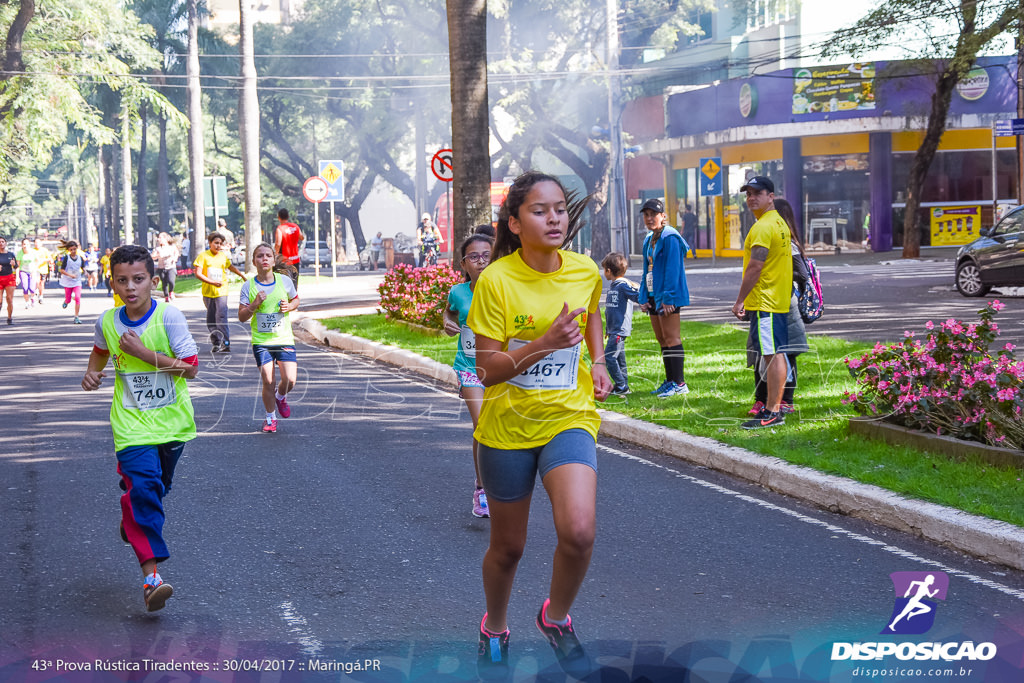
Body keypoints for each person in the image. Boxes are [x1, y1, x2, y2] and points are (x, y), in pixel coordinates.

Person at [468, 171, 611, 678]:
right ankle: (495, 627)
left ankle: (555, 618)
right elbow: (484, 368)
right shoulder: (496, 281)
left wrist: (596, 360)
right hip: (506, 429)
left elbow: (591, 311)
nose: (553, 218)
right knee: (508, 549)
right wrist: (542, 345)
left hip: (567, 419)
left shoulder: (585, 270)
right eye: (538, 210)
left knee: (578, 531)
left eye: (559, 209)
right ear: (514, 221)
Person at [81, 244, 199, 612]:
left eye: (138, 279)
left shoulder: (169, 317)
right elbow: (101, 350)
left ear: (152, 279)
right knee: (145, 487)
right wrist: (91, 371)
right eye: (121, 281)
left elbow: (191, 368)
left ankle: (132, 516)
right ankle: (152, 580)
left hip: (173, 424)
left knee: (155, 489)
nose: (130, 287)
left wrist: (143, 354)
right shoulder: (108, 320)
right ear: (112, 282)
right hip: (131, 426)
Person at [731, 176, 793, 430]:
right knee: (773, 353)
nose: (751, 198)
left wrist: (739, 300)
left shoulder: (763, 227)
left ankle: (772, 411)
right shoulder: (779, 223)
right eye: (748, 194)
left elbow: (755, 267)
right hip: (775, 300)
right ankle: (773, 407)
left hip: (765, 301)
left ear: (771, 196)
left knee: (771, 354)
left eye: (758, 193)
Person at [443, 233, 494, 518]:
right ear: (464, 264)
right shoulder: (458, 292)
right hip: (469, 367)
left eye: (486, 255)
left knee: (494, 427)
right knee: (482, 424)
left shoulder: (504, 290)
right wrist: (448, 323)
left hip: (500, 366)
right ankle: (481, 488)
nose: (481, 262)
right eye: (474, 257)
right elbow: (448, 314)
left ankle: (492, 481)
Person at [746, 198, 809, 416]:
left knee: (780, 352)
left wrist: (775, 273)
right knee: (761, 351)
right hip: (768, 300)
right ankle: (762, 399)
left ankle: (781, 401)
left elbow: (802, 273)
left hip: (780, 302)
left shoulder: (784, 240)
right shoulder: (774, 235)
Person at [238, 243, 300, 434]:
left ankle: (280, 397)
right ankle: (270, 418)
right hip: (262, 341)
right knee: (268, 380)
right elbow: (241, 316)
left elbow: (296, 299)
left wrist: (289, 307)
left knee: (290, 380)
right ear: (254, 261)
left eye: (267, 255)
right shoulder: (248, 286)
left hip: (284, 338)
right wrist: (254, 304)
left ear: (273, 260)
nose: (264, 259)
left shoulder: (284, 282)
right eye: (259, 256)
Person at [637, 198, 691, 398]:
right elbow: (646, 271)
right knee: (661, 338)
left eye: (653, 214)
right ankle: (669, 381)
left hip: (668, 296)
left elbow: (672, 270)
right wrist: (644, 296)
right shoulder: (649, 239)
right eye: (646, 215)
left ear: (663, 216)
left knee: (671, 337)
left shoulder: (670, 237)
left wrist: (668, 298)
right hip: (653, 294)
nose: (650, 218)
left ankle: (679, 383)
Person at [193, 232, 246, 353]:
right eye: (216, 243)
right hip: (208, 292)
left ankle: (226, 343)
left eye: (220, 244)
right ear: (210, 243)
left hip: (222, 291)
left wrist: (241, 275)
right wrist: (212, 282)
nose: (218, 246)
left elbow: (230, 266)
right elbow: (198, 273)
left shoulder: (222, 256)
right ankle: (216, 343)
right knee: (211, 319)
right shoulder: (203, 256)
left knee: (221, 317)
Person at [600, 252, 639, 396]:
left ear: (609, 271)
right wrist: (608, 329)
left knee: (609, 357)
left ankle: (621, 385)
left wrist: (646, 298)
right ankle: (624, 386)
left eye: (604, 270)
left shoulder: (622, 286)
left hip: (619, 330)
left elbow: (638, 296)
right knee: (619, 359)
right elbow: (611, 310)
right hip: (614, 330)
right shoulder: (614, 286)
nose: (604, 273)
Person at [59, 240, 85, 324]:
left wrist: (86, 272)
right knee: (69, 299)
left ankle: (76, 317)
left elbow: (82, 267)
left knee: (77, 298)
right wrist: (70, 275)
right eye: (71, 250)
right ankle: (66, 301)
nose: (73, 251)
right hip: (68, 281)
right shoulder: (67, 258)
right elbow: (62, 270)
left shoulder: (80, 258)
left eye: (74, 249)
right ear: (69, 250)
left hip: (77, 281)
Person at [274, 209, 302, 286]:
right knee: (294, 281)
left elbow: (278, 244)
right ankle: (294, 296)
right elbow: (301, 237)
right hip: (295, 259)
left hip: (284, 261)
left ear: (279, 217)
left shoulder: (280, 229)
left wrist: (275, 255)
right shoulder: (295, 227)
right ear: (288, 217)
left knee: (285, 282)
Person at [152, 232, 180, 302]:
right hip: (162, 267)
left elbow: (176, 253)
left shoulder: (172, 247)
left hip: (171, 266)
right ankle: (166, 296)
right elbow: (152, 257)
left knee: (171, 281)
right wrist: (158, 255)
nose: (159, 239)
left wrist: (175, 259)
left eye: (160, 238)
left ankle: (171, 291)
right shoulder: (158, 248)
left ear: (165, 238)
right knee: (164, 282)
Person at [15, 238, 39, 310]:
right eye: (24, 244)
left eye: (27, 244)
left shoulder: (33, 252)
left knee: (32, 288)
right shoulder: (20, 253)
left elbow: (37, 262)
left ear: (29, 245)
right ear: (22, 245)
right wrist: (17, 277)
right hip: (23, 271)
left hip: (32, 271)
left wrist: (34, 270)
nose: (25, 246)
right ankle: (27, 302)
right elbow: (17, 266)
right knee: (25, 288)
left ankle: (32, 298)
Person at [0, 237, 19, 325]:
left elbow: (16, 267)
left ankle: (9, 318)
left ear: (5, 243)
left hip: (9, 278)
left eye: (3, 242)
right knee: (0, 301)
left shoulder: (10, 254)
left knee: (9, 299)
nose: (1, 243)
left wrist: (14, 265)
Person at [35, 238, 49, 303]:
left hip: (43, 269)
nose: (37, 244)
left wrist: (43, 260)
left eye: (38, 242)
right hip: (35, 269)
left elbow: (49, 258)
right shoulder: (32, 251)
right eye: (35, 242)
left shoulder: (45, 250)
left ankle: (41, 296)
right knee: (36, 281)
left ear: (41, 244)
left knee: (41, 283)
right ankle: (36, 290)